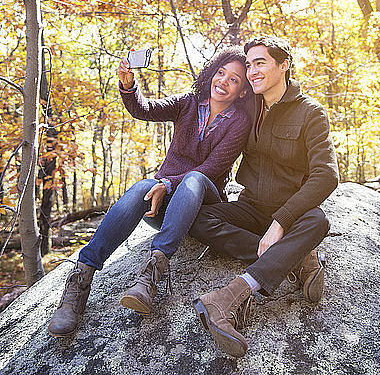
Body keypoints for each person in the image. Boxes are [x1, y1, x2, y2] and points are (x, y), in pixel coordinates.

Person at [48, 46, 252, 338]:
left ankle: (150, 277)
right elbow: (144, 109)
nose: (223, 81)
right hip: (168, 207)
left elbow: (212, 168)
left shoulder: (239, 123)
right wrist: (129, 86)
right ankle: (80, 281)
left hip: (204, 203)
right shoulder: (188, 103)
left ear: (243, 91)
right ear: (211, 73)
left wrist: (168, 183)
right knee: (143, 186)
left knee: (192, 178)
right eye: (221, 73)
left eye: (234, 80)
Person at [190, 35, 339, 358]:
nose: (252, 70)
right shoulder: (247, 104)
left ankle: (228, 297)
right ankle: (295, 259)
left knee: (318, 220)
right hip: (250, 207)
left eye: (260, 62)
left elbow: (327, 175)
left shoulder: (311, 113)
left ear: (283, 65)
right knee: (198, 217)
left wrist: (280, 223)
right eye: (249, 64)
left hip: (291, 214)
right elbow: (201, 107)